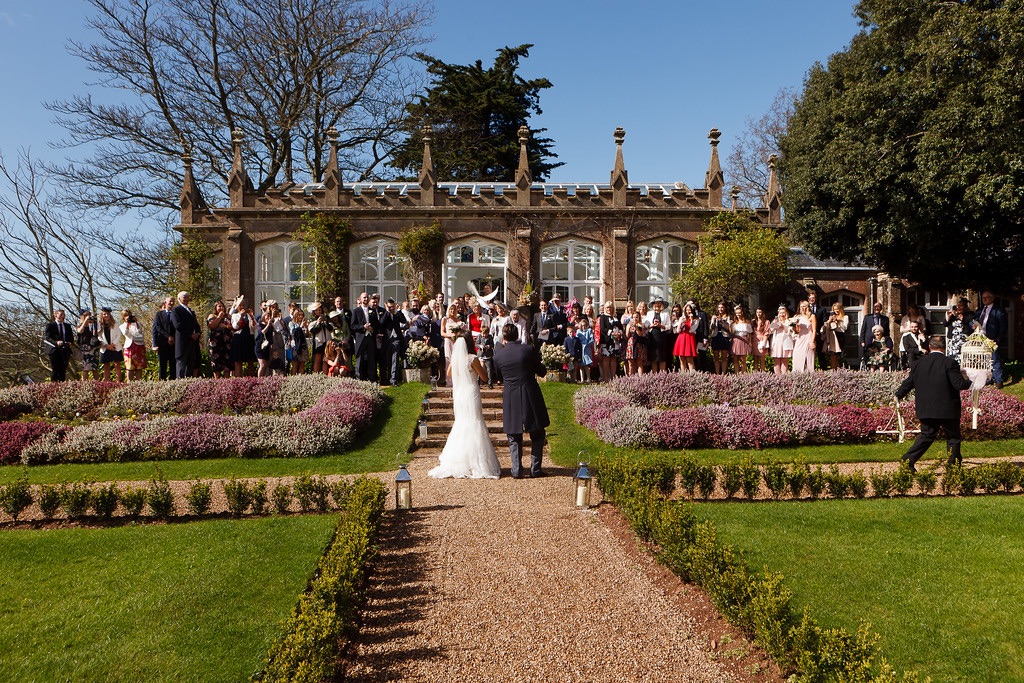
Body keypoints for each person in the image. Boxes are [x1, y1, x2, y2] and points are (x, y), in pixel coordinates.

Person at [427, 331, 501, 479]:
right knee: (474, 422)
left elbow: (448, 374)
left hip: (460, 394)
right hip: (471, 392)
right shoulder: (472, 359)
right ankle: (477, 463)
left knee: (462, 423)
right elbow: (485, 378)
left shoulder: (457, 359)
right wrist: (480, 364)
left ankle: (461, 461)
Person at [895, 335, 973, 472]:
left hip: (926, 407)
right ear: (944, 347)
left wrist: (898, 394)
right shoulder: (950, 363)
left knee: (927, 435)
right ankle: (953, 466)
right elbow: (958, 384)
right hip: (947, 407)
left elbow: (909, 382)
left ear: (929, 347)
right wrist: (973, 381)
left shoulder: (918, 363)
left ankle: (908, 460)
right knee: (953, 437)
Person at [493, 323, 550, 479]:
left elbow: (498, 377)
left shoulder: (498, 356)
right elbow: (542, 371)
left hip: (511, 393)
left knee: (513, 434)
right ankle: (535, 469)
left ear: (503, 337)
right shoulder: (527, 350)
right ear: (517, 335)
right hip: (529, 391)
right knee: (537, 432)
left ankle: (517, 469)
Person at [974, 290, 1007, 388]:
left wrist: (997, 339)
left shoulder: (998, 310)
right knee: (981, 360)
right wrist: (973, 325)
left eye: (987, 297)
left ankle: (999, 381)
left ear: (992, 298)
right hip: (979, 338)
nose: (984, 299)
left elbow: (1003, 326)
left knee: (994, 359)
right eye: (983, 297)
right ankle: (986, 379)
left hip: (992, 339)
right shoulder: (979, 310)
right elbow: (973, 321)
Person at [170, 291, 201, 379]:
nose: (186, 299)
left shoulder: (190, 311)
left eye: (188, 297)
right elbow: (178, 325)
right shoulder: (176, 310)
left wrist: (197, 333)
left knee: (190, 365)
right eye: (184, 297)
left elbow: (196, 324)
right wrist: (190, 335)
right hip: (182, 343)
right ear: (179, 299)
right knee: (181, 366)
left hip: (192, 343)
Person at [350, 291, 379, 382]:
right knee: (360, 358)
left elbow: (377, 325)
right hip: (361, 337)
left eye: (367, 297)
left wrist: (372, 329)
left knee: (371, 358)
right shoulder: (356, 311)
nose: (365, 299)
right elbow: (353, 325)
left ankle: (371, 379)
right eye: (364, 297)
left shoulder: (373, 310)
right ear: (360, 299)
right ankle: (359, 378)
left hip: (370, 337)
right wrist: (363, 327)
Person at [380, 297, 407, 386]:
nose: (391, 309)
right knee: (388, 360)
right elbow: (381, 323)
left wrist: (399, 310)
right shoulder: (385, 314)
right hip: (387, 340)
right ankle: (388, 378)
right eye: (390, 307)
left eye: (392, 307)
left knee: (395, 359)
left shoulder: (397, 314)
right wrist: (387, 312)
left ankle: (393, 379)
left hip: (396, 339)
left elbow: (404, 320)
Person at [44, 309, 76, 382]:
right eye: (60, 314)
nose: (62, 316)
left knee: (63, 370)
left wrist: (69, 342)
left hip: (65, 350)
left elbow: (71, 338)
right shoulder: (50, 325)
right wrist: (56, 342)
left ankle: (62, 386)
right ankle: (54, 386)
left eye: (63, 314)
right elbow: (48, 338)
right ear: (56, 315)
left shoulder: (67, 326)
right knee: (55, 370)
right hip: (54, 350)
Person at [595, 301, 622, 383]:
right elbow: (602, 329)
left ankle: (613, 378)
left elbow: (620, 327)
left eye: (610, 307)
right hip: (606, 341)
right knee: (606, 359)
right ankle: (606, 378)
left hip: (615, 342)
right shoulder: (603, 317)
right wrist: (612, 333)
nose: (608, 309)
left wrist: (619, 333)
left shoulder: (616, 318)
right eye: (607, 307)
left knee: (613, 359)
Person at [231, 297, 258, 377]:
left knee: (250, 360)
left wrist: (252, 317)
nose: (242, 307)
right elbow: (235, 326)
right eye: (240, 305)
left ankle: (251, 379)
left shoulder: (249, 315)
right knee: (238, 361)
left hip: (248, 338)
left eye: (243, 305)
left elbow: (255, 327)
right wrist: (241, 316)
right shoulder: (235, 316)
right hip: (239, 338)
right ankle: (238, 380)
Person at [97, 307, 125, 382]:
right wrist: (106, 345)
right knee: (106, 365)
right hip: (105, 347)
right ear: (102, 315)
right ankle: (107, 383)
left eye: (108, 314)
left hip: (115, 346)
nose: (106, 315)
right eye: (104, 314)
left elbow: (118, 335)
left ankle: (118, 382)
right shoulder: (99, 325)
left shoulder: (115, 323)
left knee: (117, 364)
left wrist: (113, 344)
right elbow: (99, 336)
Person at [206, 301, 233, 378]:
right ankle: (217, 382)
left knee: (227, 364)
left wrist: (226, 326)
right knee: (216, 364)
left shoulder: (228, 316)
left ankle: (227, 383)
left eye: (222, 306)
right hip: (216, 342)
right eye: (219, 306)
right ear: (215, 308)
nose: (221, 308)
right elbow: (212, 326)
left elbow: (232, 327)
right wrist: (219, 317)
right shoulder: (212, 316)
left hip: (227, 342)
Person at [944, 298, 975, 364]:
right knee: (952, 358)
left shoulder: (970, 314)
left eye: (961, 306)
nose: (959, 308)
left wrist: (962, 318)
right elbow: (945, 324)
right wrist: (948, 318)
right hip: (953, 341)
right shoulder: (953, 315)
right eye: (958, 306)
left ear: (965, 307)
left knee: (963, 359)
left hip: (963, 340)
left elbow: (969, 322)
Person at [119, 309, 148, 381]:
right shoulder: (122, 326)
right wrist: (128, 324)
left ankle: (138, 383)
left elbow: (139, 331)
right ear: (123, 317)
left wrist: (136, 322)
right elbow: (126, 333)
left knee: (139, 367)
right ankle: (129, 383)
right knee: (129, 367)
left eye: (129, 315)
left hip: (139, 346)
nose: (128, 317)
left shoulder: (137, 324)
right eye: (126, 316)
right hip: (129, 347)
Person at [645, 297, 671, 373]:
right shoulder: (649, 314)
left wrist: (661, 326)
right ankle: (654, 375)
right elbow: (646, 324)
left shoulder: (666, 314)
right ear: (653, 305)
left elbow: (669, 326)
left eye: (659, 303)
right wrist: (651, 325)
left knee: (662, 357)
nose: (658, 305)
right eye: (656, 303)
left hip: (662, 337)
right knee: (653, 357)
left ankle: (662, 375)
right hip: (652, 336)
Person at [152, 296, 175, 380]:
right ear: (165, 303)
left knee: (173, 364)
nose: (171, 303)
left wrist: (173, 338)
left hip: (174, 343)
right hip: (162, 343)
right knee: (162, 365)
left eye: (173, 301)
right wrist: (168, 337)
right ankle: (162, 382)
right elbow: (158, 328)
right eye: (170, 301)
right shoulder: (159, 314)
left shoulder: (175, 313)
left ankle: (173, 382)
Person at [792, 300, 817, 373]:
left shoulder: (812, 316)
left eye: (804, 306)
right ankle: (798, 373)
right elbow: (796, 331)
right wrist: (794, 325)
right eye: (801, 306)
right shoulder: (797, 317)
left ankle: (810, 374)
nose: (802, 308)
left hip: (809, 337)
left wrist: (812, 341)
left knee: (808, 357)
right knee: (797, 355)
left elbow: (814, 330)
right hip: (800, 338)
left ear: (807, 307)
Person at [821, 302, 849, 370]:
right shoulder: (831, 317)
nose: (836, 311)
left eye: (837, 309)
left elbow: (845, 327)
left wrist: (838, 321)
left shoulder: (845, 317)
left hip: (840, 336)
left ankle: (837, 370)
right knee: (832, 355)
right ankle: (833, 369)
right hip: (832, 336)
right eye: (835, 309)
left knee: (837, 355)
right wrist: (829, 321)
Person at [673, 303, 699, 373]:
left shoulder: (696, 319)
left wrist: (691, 320)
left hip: (689, 338)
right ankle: (683, 376)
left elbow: (692, 329)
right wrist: (681, 322)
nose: (688, 311)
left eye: (689, 310)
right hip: (681, 337)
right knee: (681, 359)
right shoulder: (682, 318)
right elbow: (678, 330)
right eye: (687, 310)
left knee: (689, 360)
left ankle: (693, 376)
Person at [769, 304, 795, 375]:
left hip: (786, 342)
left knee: (784, 360)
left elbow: (790, 331)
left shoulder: (789, 321)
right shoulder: (775, 321)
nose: (782, 314)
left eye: (783, 313)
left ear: (786, 313)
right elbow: (770, 330)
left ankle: (784, 376)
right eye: (780, 313)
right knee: (777, 360)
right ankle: (777, 376)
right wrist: (775, 324)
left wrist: (783, 326)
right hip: (777, 342)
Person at [76, 309, 101, 380]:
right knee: (85, 367)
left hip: (93, 347)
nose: (88, 317)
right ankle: (85, 384)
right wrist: (84, 322)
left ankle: (97, 383)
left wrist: (94, 322)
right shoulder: (80, 325)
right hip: (85, 348)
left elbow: (98, 332)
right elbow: (80, 331)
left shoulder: (93, 324)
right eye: (86, 316)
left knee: (94, 367)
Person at [709, 302, 732, 374]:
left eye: (722, 307)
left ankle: (723, 373)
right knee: (716, 357)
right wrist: (713, 320)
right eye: (719, 307)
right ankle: (717, 373)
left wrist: (721, 321)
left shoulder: (728, 317)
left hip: (724, 337)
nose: (720, 309)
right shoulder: (715, 316)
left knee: (724, 357)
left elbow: (728, 328)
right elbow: (711, 328)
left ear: (724, 308)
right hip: (716, 336)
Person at [730, 305, 752, 374]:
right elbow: (732, 333)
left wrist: (750, 342)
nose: (738, 315)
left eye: (739, 313)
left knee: (743, 360)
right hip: (736, 340)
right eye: (737, 313)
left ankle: (743, 374)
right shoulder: (734, 323)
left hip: (744, 340)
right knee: (735, 359)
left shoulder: (747, 322)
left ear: (742, 313)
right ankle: (736, 374)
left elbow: (750, 333)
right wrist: (730, 326)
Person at [624, 309, 647, 375]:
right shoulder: (629, 324)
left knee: (639, 362)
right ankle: (631, 379)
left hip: (639, 344)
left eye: (636, 317)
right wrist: (628, 327)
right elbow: (627, 335)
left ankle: (640, 378)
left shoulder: (642, 325)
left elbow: (640, 334)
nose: (635, 318)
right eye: (633, 317)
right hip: (631, 343)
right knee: (631, 363)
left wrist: (636, 327)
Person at [576, 316, 595, 383]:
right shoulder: (578, 331)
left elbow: (592, 340)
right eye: (582, 325)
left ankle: (588, 378)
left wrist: (587, 344)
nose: (583, 327)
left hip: (587, 349)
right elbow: (576, 340)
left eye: (585, 325)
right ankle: (582, 379)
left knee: (586, 365)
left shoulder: (589, 331)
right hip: (580, 349)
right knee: (581, 365)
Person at [752, 307, 771, 372]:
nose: (758, 314)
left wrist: (764, 343)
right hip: (754, 340)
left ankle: (763, 374)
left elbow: (766, 333)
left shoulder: (766, 322)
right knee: (755, 359)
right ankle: (756, 374)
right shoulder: (753, 321)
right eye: (757, 312)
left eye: (760, 312)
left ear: (762, 313)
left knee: (762, 358)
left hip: (762, 340)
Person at [478, 323, 495, 389]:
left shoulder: (490, 337)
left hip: (488, 356)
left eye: (486, 334)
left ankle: (490, 383)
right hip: (481, 355)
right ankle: (478, 383)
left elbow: (492, 344)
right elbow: (476, 344)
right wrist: (480, 346)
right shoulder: (479, 336)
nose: (484, 335)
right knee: (479, 369)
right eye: (483, 334)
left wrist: (488, 346)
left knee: (489, 370)